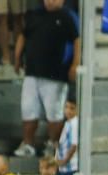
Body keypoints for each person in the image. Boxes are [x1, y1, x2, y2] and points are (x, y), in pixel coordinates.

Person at [12, 0, 80, 158]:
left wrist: (75, 64)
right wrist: (17, 57)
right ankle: (28, 144)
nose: (50, 1)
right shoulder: (34, 15)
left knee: (54, 113)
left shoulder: (68, 17)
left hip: (56, 74)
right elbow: (23, 35)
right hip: (32, 72)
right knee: (28, 110)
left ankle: (53, 144)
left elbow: (77, 40)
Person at [56, 97, 78, 175]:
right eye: (66, 107)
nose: (68, 111)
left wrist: (64, 161)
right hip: (64, 168)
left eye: (72, 108)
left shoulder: (74, 123)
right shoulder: (67, 123)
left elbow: (74, 145)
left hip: (70, 167)